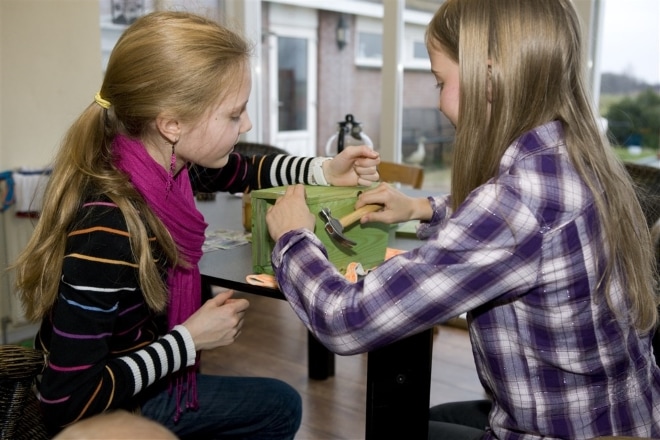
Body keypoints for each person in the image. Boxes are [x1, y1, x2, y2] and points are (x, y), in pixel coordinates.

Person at [264, 0, 660, 438]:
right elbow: (520, 231)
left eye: (440, 82)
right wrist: (421, 208)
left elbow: (347, 319)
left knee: (396, 425)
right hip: (627, 415)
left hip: (561, 429)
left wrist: (294, 238)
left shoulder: (516, 204)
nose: (438, 103)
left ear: (487, 77)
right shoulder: (569, 156)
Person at [12, 11, 380, 439]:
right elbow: (65, 400)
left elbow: (244, 170)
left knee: (277, 403)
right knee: (280, 407)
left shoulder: (156, 164)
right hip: (105, 411)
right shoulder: (108, 225)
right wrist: (188, 340)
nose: (247, 125)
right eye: (233, 114)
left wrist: (324, 170)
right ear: (171, 124)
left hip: (135, 380)